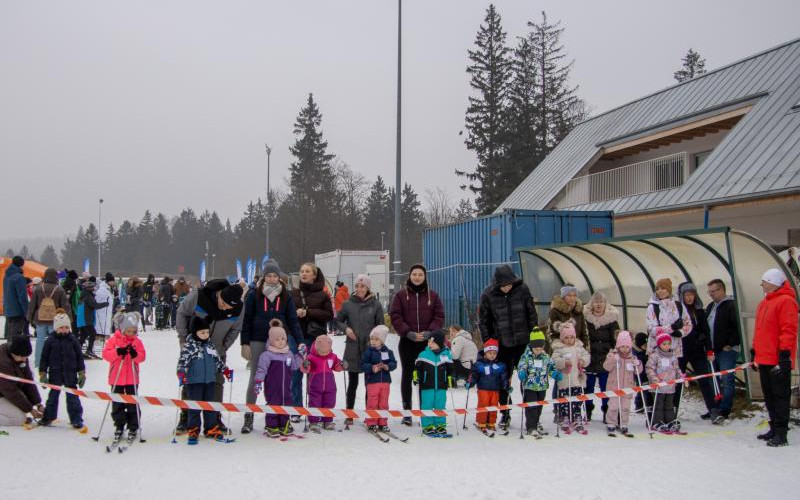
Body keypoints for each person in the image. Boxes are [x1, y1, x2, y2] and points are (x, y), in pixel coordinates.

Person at [240, 260, 303, 433]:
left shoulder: (286, 296)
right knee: (256, 377)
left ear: (279, 277)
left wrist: (300, 341)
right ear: (263, 277)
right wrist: (244, 343)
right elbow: (246, 321)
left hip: (280, 341)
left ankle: (281, 416)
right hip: (258, 339)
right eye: (269, 275)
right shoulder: (253, 295)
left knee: (279, 380)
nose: (272, 279)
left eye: (275, 275)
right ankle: (249, 414)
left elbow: (293, 320)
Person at [175, 278, 244, 434]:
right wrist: (184, 338)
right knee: (190, 383)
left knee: (217, 383)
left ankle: (214, 417)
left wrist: (224, 346)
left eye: (228, 307)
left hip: (216, 350)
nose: (224, 308)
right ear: (219, 294)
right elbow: (181, 313)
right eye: (223, 303)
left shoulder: (239, 308)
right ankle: (186, 416)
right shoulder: (198, 296)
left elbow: (236, 329)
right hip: (193, 349)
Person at [478, 265, 537, 430]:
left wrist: (534, 337)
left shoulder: (523, 289)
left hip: (523, 342)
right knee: (502, 381)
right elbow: (483, 321)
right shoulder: (488, 295)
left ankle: (532, 417)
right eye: (503, 286)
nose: (507, 288)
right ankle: (505, 413)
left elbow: (531, 314)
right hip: (501, 345)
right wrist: (489, 342)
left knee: (529, 379)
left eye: (509, 285)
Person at [390, 263, 445, 427]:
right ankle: (407, 412)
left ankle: (423, 411)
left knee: (424, 377)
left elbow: (439, 316)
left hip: (427, 343)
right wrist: (408, 332)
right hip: (408, 341)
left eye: (420, 274)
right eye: (414, 274)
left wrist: (430, 332)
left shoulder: (433, 296)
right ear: (410, 276)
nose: (417, 277)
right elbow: (395, 316)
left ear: (425, 277)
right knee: (407, 375)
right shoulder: (400, 295)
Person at [752, 268, 798, 447]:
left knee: (780, 396)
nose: (762, 284)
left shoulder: (786, 301)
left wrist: (784, 354)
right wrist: (755, 352)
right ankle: (774, 427)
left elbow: (789, 329)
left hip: (777, 359)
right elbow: (759, 330)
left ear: (772, 283)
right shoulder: (764, 303)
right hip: (764, 358)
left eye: (764, 281)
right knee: (769, 396)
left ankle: (781, 433)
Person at [176, 316, 233, 444]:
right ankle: (193, 430)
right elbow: (182, 363)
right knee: (194, 407)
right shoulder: (189, 347)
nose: (205, 335)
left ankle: (211, 429)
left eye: (207, 332)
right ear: (194, 332)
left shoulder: (210, 345)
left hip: (210, 381)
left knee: (210, 406)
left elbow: (217, 360)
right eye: (202, 332)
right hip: (194, 383)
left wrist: (225, 370)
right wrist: (181, 373)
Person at [337, 274, 384, 426]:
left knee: (370, 384)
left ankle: (369, 413)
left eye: (362, 286)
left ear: (368, 288)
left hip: (370, 348)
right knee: (353, 382)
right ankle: (349, 413)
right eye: (357, 286)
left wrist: (376, 340)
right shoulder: (347, 304)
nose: (359, 289)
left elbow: (381, 326)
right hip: (352, 347)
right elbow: (338, 320)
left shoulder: (376, 305)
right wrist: (346, 329)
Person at [291, 263, 333, 419]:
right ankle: (296, 409)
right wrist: (295, 314)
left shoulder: (323, 295)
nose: (303, 273)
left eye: (307, 271)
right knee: (295, 375)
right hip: (296, 338)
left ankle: (313, 410)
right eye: (302, 271)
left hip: (314, 339)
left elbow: (329, 315)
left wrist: (308, 312)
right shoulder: (293, 293)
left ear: (314, 275)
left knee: (313, 375)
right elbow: (287, 314)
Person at [675, 282, 718, 423]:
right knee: (678, 381)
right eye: (686, 295)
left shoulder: (699, 311)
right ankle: (672, 411)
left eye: (692, 294)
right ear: (682, 296)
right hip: (681, 351)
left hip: (697, 350)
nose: (689, 298)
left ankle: (713, 410)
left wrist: (709, 349)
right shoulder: (677, 311)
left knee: (704, 379)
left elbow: (706, 331)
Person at [102, 312, 147, 443]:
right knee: (117, 403)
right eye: (128, 331)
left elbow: (142, 356)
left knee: (132, 403)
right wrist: (117, 351)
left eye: (134, 331)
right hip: (117, 378)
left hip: (132, 378)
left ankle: (133, 426)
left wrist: (135, 354)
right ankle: (119, 424)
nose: (131, 334)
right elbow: (106, 355)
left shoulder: (137, 342)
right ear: (122, 329)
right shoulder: (114, 340)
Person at [253, 319, 303, 438]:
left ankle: (284, 425)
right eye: (277, 339)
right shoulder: (267, 355)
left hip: (286, 387)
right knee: (273, 405)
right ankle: (272, 426)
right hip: (272, 387)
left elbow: (294, 366)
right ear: (271, 340)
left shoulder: (289, 354)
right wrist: (258, 382)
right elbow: (261, 370)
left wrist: (300, 356)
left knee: (286, 404)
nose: (281, 342)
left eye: (283, 339)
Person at [37, 310, 86, 430]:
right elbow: (44, 358)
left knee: (73, 398)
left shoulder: (73, 340)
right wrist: (43, 373)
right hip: (55, 374)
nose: (64, 330)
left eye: (66, 327)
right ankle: (48, 417)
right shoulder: (50, 340)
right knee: (52, 397)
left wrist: (81, 372)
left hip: (70, 374)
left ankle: (76, 418)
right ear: (56, 328)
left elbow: (79, 357)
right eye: (61, 327)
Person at [706, 278, 742, 422]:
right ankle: (714, 407)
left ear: (722, 290)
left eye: (713, 291)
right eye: (709, 292)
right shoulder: (711, 306)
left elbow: (738, 326)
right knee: (712, 379)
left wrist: (731, 343)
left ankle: (725, 409)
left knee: (727, 379)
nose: (711, 294)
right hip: (712, 350)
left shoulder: (731, 305)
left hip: (726, 350)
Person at [583, 291, 619, 422]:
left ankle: (607, 411)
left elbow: (616, 338)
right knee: (588, 386)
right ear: (591, 304)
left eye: (601, 302)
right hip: (589, 357)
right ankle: (587, 409)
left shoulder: (611, 319)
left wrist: (614, 352)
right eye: (596, 302)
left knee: (606, 386)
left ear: (605, 304)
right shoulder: (585, 318)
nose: (598, 304)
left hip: (605, 358)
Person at [517, 327, 559, 437]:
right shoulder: (526, 357)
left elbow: (551, 367)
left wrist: (555, 374)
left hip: (542, 386)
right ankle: (531, 427)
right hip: (529, 386)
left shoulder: (545, 357)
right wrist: (522, 373)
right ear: (531, 346)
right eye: (536, 349)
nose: (538, 351)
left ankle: (536, 424)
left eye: (541, 349)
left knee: (539, 407)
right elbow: (521, 366)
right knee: (531, 407)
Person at [551, 321, 590, 433]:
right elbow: (554, 360)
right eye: (566, 338)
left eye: (571, 337)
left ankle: (577, 417)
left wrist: (583, 361)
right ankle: (564, 417)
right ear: (562, 338)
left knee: (577, 400)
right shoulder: (559, 349)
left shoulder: (579, 348)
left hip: (577, 380)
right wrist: (563, 362)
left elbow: (587, 356)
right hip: (564, 380)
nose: (569, 340)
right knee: (564, 401)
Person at [27, 268, 70, 368]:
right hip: (55, 320)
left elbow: (32, 305)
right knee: (54, 341)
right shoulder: (59, 289)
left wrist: (30, 318)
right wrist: (68, 319)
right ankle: (53, 362)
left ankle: (38, 362)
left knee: (40, 340)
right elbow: (65, 306)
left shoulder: (38, 289)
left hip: (40, 318)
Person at [414, 329, 453, 437]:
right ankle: (428, 426)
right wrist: (416, 375)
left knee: (440, 406)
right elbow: (417, 368)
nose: (430, 344)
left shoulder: (446, 355)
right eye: (429, 341)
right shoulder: (423, 354)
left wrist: (451, 377)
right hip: (427, 386)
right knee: (427, 406)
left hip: (441, 386)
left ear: (439, 343)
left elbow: (451, 369)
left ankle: (440, 425)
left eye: (433, 342)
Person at [301, 333, 344, 432]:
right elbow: (306, 369)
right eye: (321, 352)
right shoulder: (311, 357)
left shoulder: (332, 356)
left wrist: (341, 365)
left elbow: (336, 367)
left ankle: (327, 421)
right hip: (315, 385)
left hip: (330, 385)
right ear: (316, 348)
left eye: (326, 351)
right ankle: (314, 421)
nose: (324, 354)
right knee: (314, 403)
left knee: (329, 402)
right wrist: (305, 365)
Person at [603, 331, 642, 436]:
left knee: (625, 407)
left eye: (627, 346)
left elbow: (638, 371)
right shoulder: (612, 355)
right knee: (613, 406)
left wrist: (638, 364)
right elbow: (606, 367)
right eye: (622, 346)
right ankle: (611, 423)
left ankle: (624, 423)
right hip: (614, 387)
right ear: (618, 346)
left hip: (627, 388)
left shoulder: (632, 358)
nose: (625, 349)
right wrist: (613, 360)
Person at [0, 335, 43, 426]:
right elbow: (10, 390)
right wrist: (30, 409)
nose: (24, 359)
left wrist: (38, 404)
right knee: (19, 419)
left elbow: (28, 382)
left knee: (21, 413)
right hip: (4, 393)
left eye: (26, 356)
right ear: (14, 353)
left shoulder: (20, 357)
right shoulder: (3, 362)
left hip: (4, 394)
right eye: (22, 356)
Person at [360, 325, 396, 432]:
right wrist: (372, 368)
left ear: (382, 341)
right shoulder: (368, 352)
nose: (373, 341)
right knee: (372, 402)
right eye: (372, 339)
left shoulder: (388, 352)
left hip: (385, 382)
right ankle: (371, 422)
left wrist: (387, 366)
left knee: (384, 403)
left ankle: (382, 422)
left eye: (376, 339)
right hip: (372, 382)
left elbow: (393, 363)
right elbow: (363, 365)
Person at [646, 332, 683, 433]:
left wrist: (681, 377)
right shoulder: (654, 356)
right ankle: (658, 422)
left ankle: (669, 421)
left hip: (670, 386)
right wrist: (654, 378)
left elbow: (676, 368)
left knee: (669, 405)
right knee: (659, 405)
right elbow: (649, 368)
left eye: (668, 344)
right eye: (664, 344)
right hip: (658, 387)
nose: (667, 346)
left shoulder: (673, 356)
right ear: (659, 344)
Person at [469, 338, 508, 432]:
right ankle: (481, 422)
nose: (492, 355)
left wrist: (506, 386)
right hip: (483, 389)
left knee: (494, 405)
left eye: (494, 353)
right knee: (483, 405)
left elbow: (503, 377)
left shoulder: (500, 365)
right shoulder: (479, 364)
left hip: (495, 389)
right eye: (490, 353)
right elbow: (474, 375)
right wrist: (470, 383)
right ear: (485, 353)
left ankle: (491, 422)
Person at [646, 278, 691, 358]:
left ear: (669, 290)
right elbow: (651, 329)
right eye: (657, 289)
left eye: (663, 288)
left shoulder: (679, 305)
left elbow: (688, 324)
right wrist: (671, 328)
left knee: (674, 366)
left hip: (674, 350)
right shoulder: (652, 307)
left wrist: (681, 332)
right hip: (656, 350)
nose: (660, 291)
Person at [76, 279, 109, 359]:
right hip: (86, 319)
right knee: (92, 334)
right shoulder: (87, 295)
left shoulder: (84, 294)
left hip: (82, 319)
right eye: (92, 287)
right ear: (88, 288)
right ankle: (89, 350)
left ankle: (77, 351)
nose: (93, 288)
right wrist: (105, 304)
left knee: (83, 336)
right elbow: (94, 305)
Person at [3, 256, 29, 339]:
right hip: (18, 311)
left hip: (8, 309)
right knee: (16, 338)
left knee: (10, 336)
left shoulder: (6, 276)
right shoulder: (19, 277)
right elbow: (22, 296)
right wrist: (27, 311)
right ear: (21, 265)